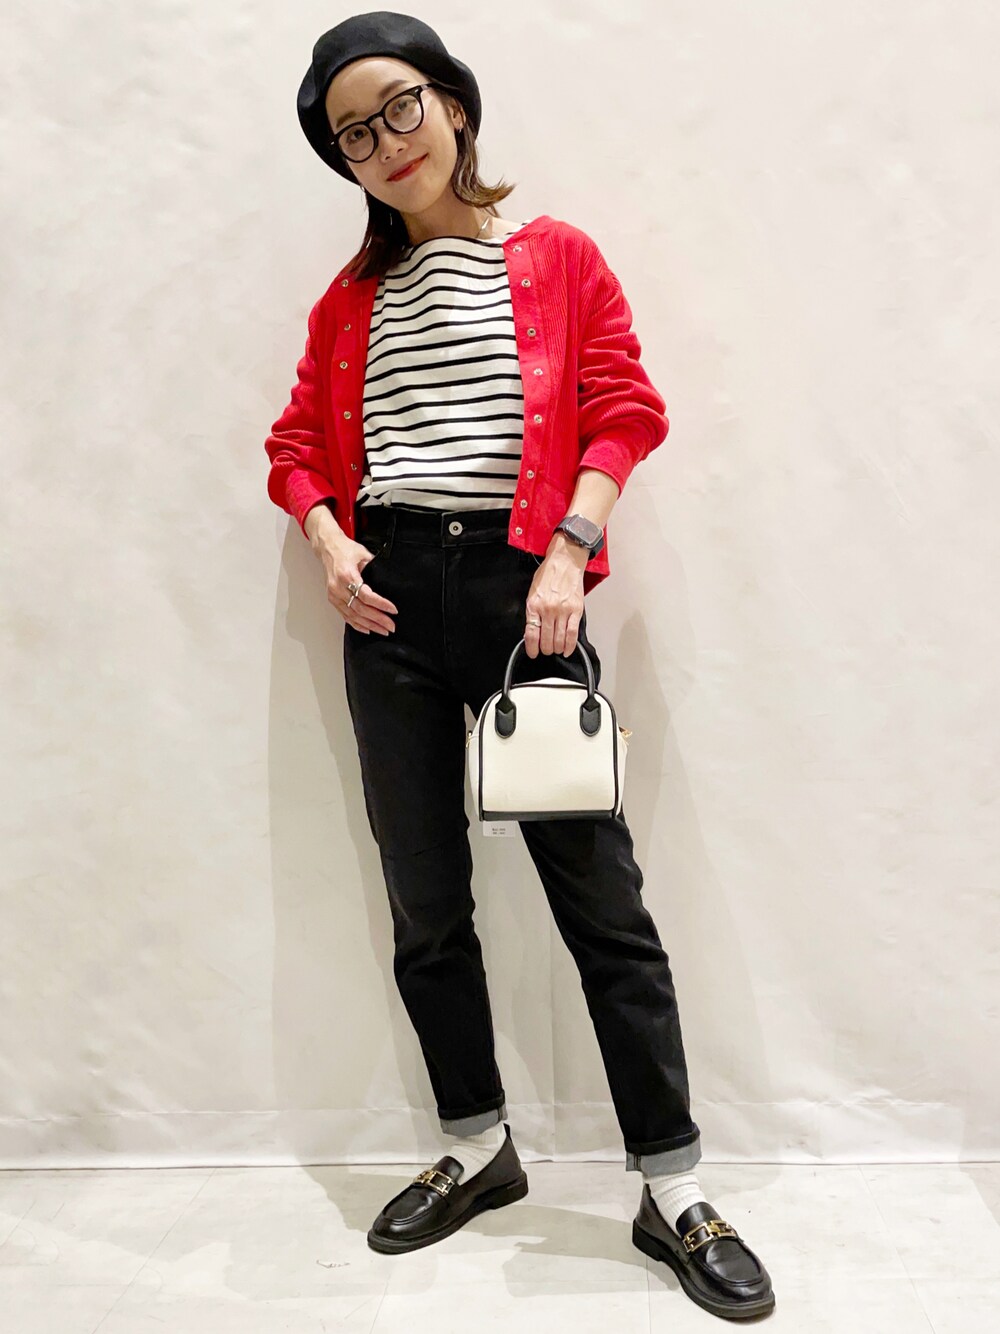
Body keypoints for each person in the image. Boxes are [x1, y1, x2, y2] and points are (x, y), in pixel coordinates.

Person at [264, 11, 774, 1321]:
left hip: (522, 598)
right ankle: (478, 1145)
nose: (385, 142)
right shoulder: (349, 302)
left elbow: (623, 406)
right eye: (353, 133)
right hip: (388, 607)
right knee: (425, 899)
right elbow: (296, 446)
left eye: (400, 106)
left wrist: (567, 553)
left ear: (453, 102)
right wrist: (329, 540)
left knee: (601, 901)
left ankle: (673, 1186)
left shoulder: (552, 257)